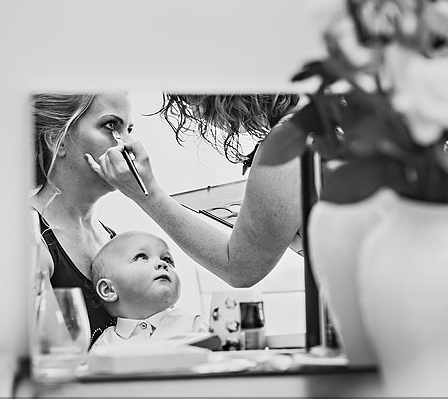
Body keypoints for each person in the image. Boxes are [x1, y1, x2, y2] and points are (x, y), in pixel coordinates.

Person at [86, 94, 308, 287]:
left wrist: (147, 193)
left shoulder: (288, 141)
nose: (198, 113)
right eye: (111, 125)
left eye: (195, 100)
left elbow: (240, 268)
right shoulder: (322, 113)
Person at [31, 93, 134, 344]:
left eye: (129, 129)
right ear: (58, 140)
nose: (128, 144)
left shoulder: (113, 240)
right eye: (111, 125)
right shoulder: (24, 234)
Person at [90, 231, 208, 349]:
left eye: (167, 260)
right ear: (108, 290)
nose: (162, 263)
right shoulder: (105, 345)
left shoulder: (193, 325)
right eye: (141, 257)